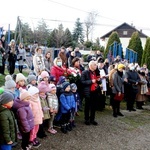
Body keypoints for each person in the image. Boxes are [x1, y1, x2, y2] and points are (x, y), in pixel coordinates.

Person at [81, 61, 100, 125]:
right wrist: (91, 81)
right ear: (91, 66)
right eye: (95, 65)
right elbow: (82, 82)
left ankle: (92, 119)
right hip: (88, 91)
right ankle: (86, 119)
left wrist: (98, 81)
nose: (96, 66)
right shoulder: (85, 72)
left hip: (95, 91)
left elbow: (97, 81)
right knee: (87, 106)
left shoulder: (96, 72)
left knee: (94, 106)